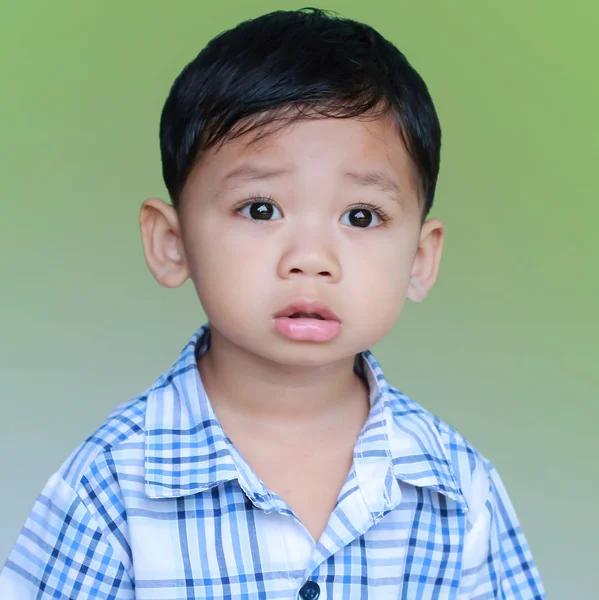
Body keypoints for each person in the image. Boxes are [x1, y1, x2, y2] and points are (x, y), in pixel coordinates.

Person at [0, 8, 546, 599]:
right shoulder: (112, 486)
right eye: (261, 208)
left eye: (361, 216)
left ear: (420, 258)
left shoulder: (458, 488)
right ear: (172, 242)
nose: (311, 257)